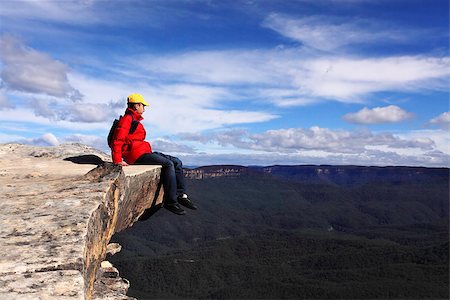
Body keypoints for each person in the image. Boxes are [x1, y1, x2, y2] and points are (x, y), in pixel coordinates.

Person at [110, 93, 197, 215]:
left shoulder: (134, 120)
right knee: (168, 164)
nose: (144, 109)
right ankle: (170, 202)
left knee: (177, 161)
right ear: (136, 106)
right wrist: (117, 159)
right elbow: (117, 140)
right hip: (135, 155)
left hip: (144, 151)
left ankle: (181, 195)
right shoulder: (127, 119)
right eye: (143, 106)